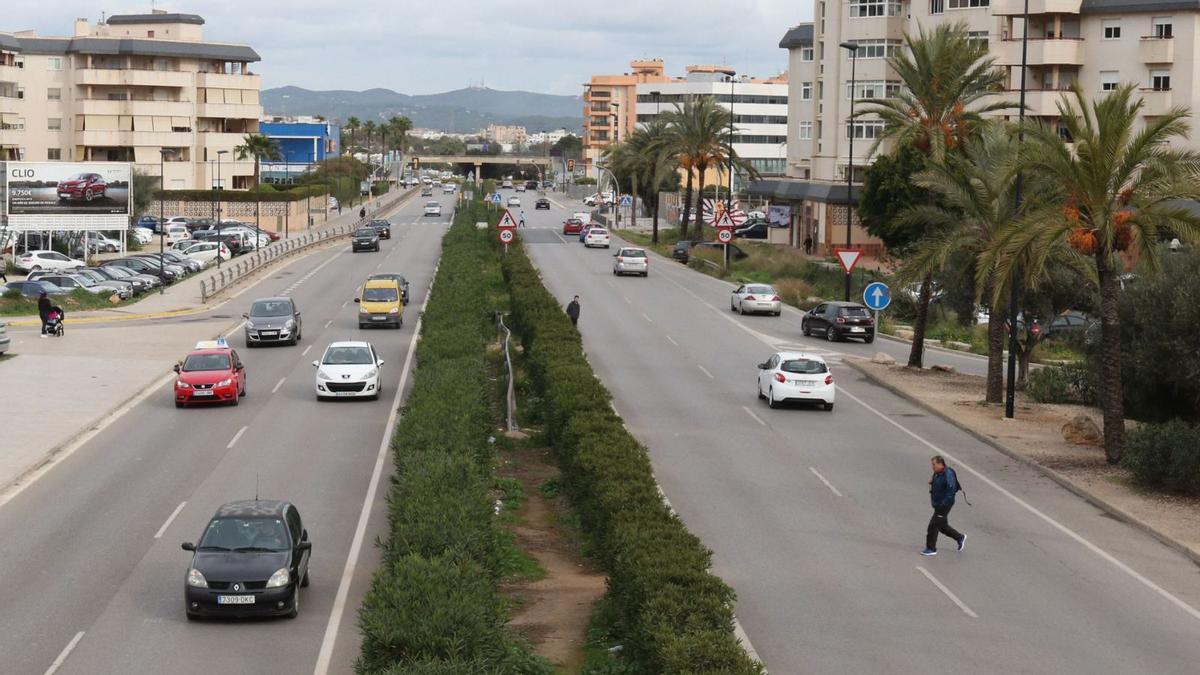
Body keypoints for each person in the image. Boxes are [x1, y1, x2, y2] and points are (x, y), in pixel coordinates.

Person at [922, 455, 965, 556]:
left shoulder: (948, 474)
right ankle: (960, 537)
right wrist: (932, 482)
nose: (932, 467)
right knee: (942, 526)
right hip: (938, 504)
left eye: (934, 464)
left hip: (944, 505)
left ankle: (931, 548)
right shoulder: (938, 472)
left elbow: (951, 490)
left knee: (933, 526)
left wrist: (943, 504)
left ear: (941, 464)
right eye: (932, 465)